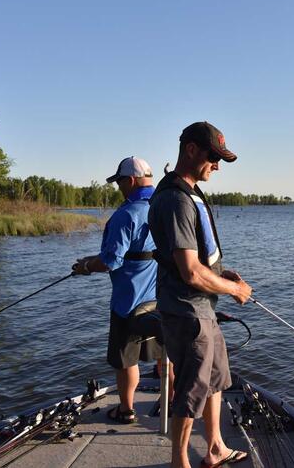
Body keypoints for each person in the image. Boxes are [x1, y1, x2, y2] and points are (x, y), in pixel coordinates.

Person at [148, 122, 252, 468]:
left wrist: (222, 275)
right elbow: (190, 271)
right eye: (213, 157)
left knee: (218, 378)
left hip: (203, 310)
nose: (217, 166)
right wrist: (235, 289)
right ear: (191, 150)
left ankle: (215, 448)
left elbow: (199, 262)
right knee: (191, 391)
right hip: (188, 314)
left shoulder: (187, 191)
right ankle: (180, 462)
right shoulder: (176, 199)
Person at [72, 156, 163, 424]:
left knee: (126, 361)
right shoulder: (166, 207)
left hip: (129, 305)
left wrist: (86, 266)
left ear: (131, 181)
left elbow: (111, 262)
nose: (118, 188)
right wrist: (91, 258)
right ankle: (170, 400)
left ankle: (126, 410)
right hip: (161, 301)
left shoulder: (125, 215)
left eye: (120, 182)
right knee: (164, 355)